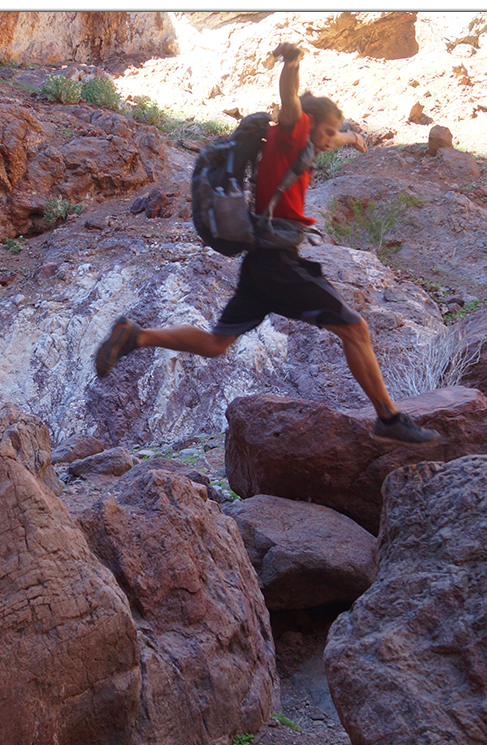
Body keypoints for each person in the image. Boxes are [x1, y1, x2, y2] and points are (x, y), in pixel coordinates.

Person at [94, 42, 439, 445]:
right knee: (355, 328)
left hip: (260, 265)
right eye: (327, 132)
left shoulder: (306, 145)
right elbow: (291, 99)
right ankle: (389, 418)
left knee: (216, 343)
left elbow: (330, 135)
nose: (329, 141)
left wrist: (350, 137)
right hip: (276, 263)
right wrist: (292, 64)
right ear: (310, 123)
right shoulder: (291, 134)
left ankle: (136, 335)